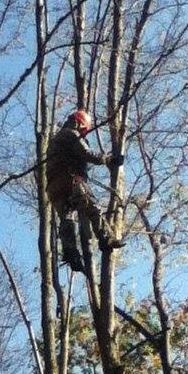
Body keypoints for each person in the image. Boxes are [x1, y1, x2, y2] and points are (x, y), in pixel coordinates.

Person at [46, 109, 124, 273]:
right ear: (79, 123)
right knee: (92, 207)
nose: (83, 133)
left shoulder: (54, 141)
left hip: (54, 189)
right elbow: (86, 153)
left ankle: (71, 254)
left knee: (67, 219)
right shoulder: (70, 134)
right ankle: (105, 239)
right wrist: (108, 159)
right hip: (71, 180)